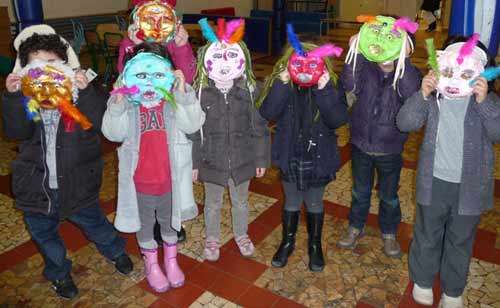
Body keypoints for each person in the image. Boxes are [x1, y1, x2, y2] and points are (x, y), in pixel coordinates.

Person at [2, 25, 132, 300]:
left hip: (78, 185)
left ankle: (116, 251)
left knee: (97, 225)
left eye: (51, 63)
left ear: (65, 66)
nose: (45, 71)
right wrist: (14, 98)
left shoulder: (80, 95)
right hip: (36, 190)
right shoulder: (27, 101)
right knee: (46, 238)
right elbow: (16, 132)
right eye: (36, 65)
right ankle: (59, 273)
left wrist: (86, 92)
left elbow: (99, 123)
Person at [397, 35, 500, 308]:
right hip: (434, 181)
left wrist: (484, 101)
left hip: (470, 187)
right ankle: (422, 279)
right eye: (450, 70)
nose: (456, 77)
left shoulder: (486, 101)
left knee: (460, 239)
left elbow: (498, 132)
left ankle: (453, 289)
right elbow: (405, 123)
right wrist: (422, 93)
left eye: (466, 71)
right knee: (427, 233)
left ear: (483, 71)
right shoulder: (433, 99)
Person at [102, 42, 205, 293]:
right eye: (141, 73)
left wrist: (182, 92)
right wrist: (117, 101)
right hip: (140, 183)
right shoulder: (127, 103)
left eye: (157, 73)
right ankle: (152, 264)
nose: (150, 81)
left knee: (170, 224)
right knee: (145, 225)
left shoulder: (174, 98)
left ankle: (171, 260)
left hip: (170, 180)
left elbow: (193, 124)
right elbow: (113, 133)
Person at [258, 26, 348, 272]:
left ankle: (314, 246)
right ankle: (288, 242)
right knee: (291, 202)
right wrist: (282, 83)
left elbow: (338, 120)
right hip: (290, 155)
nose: (306, 69)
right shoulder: (284, 83)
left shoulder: (330, 86)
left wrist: (325, 89)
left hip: (319, 157)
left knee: (315, 202)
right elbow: (267, 112)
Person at [338, 15, 422, 258]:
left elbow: (409, 92)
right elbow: (348, 84)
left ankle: (389, 232)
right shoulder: (364, 67)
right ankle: (356, 226)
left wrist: (401, 61)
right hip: (361, 143)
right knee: (360, 191)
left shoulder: (410, 73)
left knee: (388, 194)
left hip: (390, 146)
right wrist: (355, 54)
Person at [190, 18, 270, 262]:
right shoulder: (200, 92)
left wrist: (261, 158)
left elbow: (259, 126)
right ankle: (212, 238)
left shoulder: (249, 89)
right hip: (211, 158)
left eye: (230, 57)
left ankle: (241, 234)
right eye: (219, 57)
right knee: (212, 203)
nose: (224, 64)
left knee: (241, 202)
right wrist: (194, 163)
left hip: (243, 156)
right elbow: (194, 131)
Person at [118, 0, 198, 242]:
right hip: (141, 115)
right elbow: (124, 76)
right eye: (149, 17)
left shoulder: (175, 41)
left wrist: (182, 47)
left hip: (171, 113)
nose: (156, 24)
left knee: (173, 170)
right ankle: (150, 221)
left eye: (163, 18)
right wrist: (132, 45)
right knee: (146, 169)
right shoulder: (131, 43)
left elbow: (190, 76)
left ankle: (172, 220)